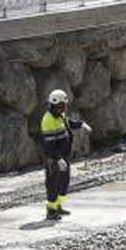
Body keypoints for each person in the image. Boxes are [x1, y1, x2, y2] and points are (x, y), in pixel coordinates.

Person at [40, 89, 91, 221]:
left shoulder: (60, 115)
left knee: (63, 182)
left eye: (63, 106)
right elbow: (50, 145)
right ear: (52, 105)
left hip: (64, 154)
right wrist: (58, 159)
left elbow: (68, 123)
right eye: (59, 106)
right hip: (54, 157)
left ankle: (58, 206)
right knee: (53, 183)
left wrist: (81, 124)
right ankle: (51, 210)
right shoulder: (48, 120)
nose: (62, 108)